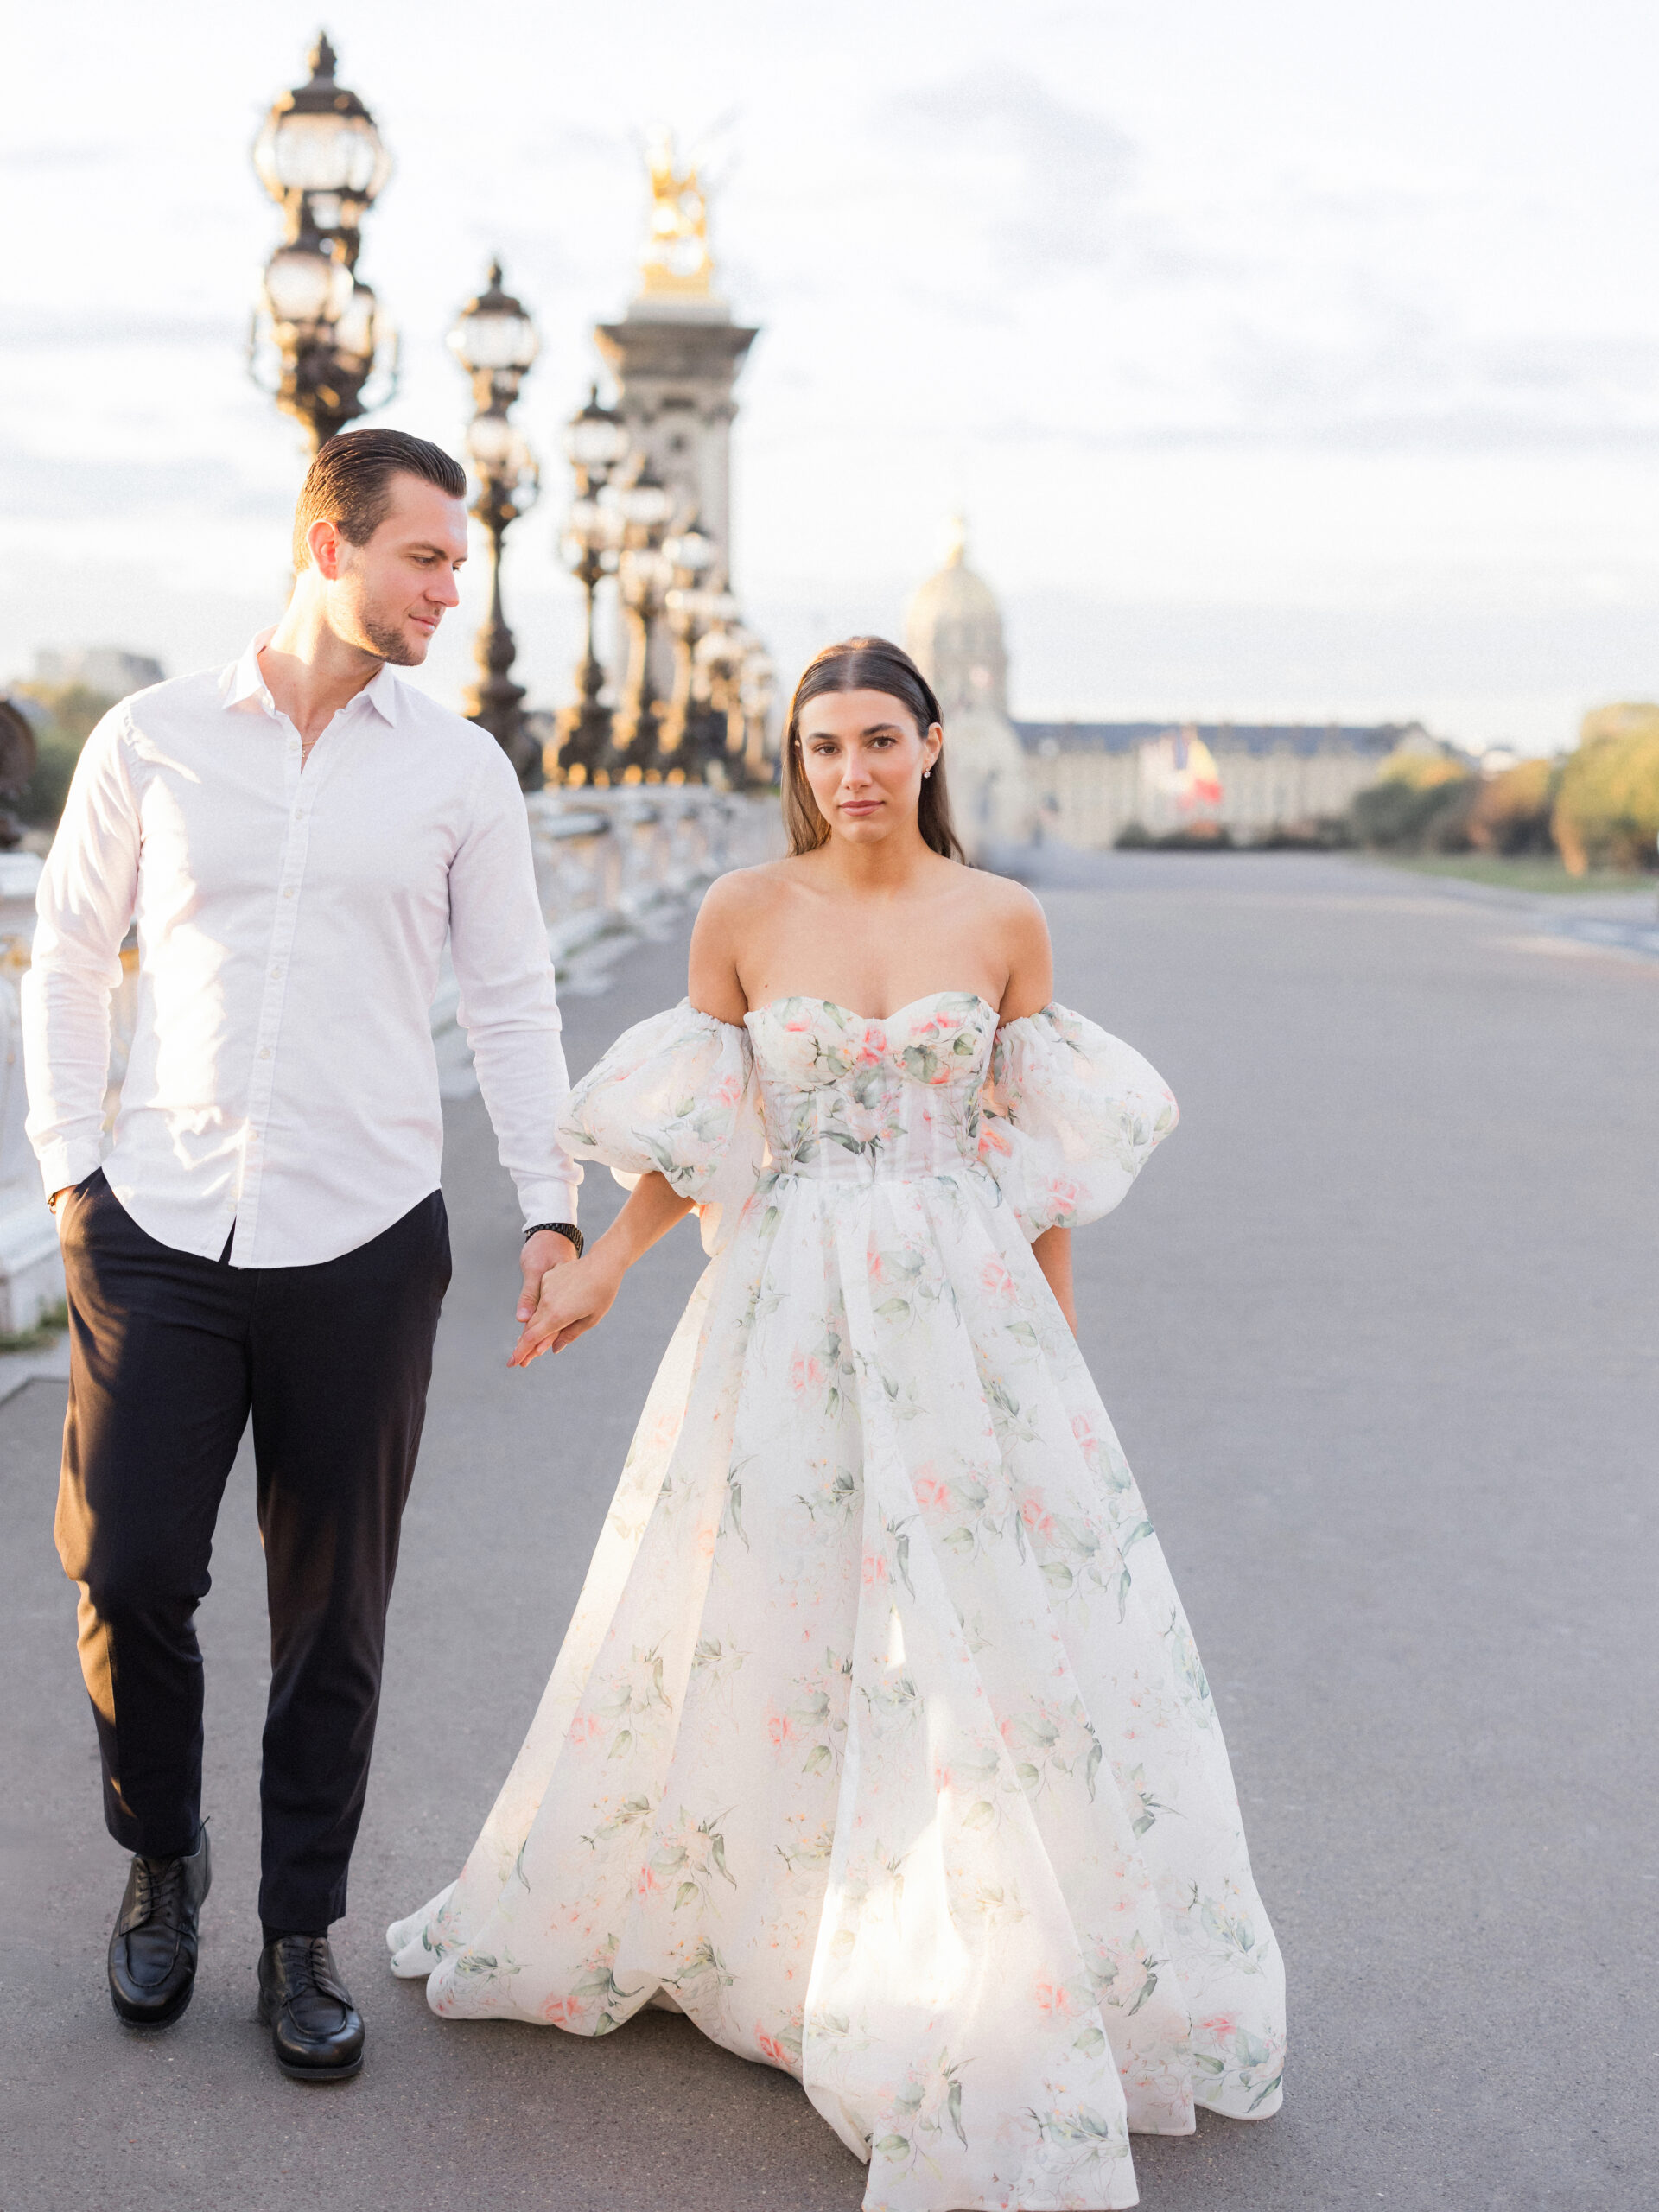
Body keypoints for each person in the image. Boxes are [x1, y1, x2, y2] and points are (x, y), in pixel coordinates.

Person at [389, 637, 1286, 2206]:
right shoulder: (742, 915)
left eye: (880, 739)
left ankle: (980, 1943)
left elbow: (1034, 1156)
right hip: (788, 1302)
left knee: (974, 1622)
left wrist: (1053, 1348)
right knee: (773, 1606)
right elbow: (713, 1131)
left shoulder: (1003, 919)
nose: (851, 771)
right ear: (795, 764)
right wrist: (604, 1261)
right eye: (822, 747)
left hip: (966, 1299)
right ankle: (780, 1925)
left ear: (931, 747)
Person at [22, 429, 584, 2082]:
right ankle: (160, 1853)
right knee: (126, 1570)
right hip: (163, 1226)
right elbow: (64, 952)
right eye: (425, 559)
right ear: (326, 543)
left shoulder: (460, 769)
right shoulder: (153, 739)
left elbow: (513, 999)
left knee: (335, 1608)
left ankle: (296, 1933)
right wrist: (72, 1179)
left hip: (362, 1236)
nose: (449, 590)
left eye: (460, 568)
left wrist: (545, 1203)